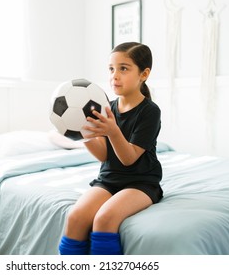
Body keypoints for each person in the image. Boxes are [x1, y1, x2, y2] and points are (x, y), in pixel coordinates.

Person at [58, 42, 163, 255]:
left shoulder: (150, 112)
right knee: (76, 217)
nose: (115, 75)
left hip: (141, 183)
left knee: (104, 218)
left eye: (123, 69)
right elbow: (105, 155)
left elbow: (129, 158)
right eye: (111, 69)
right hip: (109, 179)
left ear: (144, 74)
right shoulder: (107, 107)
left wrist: (113, 131)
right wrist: (84, 135)